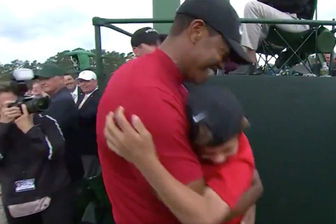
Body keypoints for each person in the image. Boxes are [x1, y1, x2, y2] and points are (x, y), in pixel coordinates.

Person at [96, 0, 249, 224]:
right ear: (197, 30)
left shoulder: (163, 80)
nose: (222, 64)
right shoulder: (149, 93)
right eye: (223, 52)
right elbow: (204, 215)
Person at [104, 84, 263, 224]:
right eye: (208, 153)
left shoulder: (239, 161)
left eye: (227, 149)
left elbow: (205, 219)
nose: (219, 158)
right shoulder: (183, 140)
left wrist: (144, 160)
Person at [0, 85, 73, 224]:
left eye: (13, 104)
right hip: (18, 201)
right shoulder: (2, 129)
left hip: (52, 195)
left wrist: (30, 129)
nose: (9, 110)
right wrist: (3, 127)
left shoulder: (45, 122)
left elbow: (55, 153)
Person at [241, 0, 317, 64]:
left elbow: (297, 2)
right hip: (281, 23)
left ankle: (250, 59)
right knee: (243, 30)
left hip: (299, 22)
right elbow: (270, 9)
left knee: (252, 6)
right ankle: (243, 58)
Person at [35, 64, 83, 183]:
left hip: (65, 164)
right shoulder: (56, 99)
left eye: (47, 78)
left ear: (62, 79)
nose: (43, 83)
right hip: (65, 163)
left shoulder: (62, 101)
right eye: (40, 80)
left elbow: (49, 132)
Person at [76, 70, 101, 178]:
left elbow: (88, 116)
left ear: (95, 81)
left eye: (86, 81)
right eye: (81, 81)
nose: (83, 84)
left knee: (91, 176)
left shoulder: (99, 97)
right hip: (81, 146)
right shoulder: (81, 97)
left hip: (91, 146)